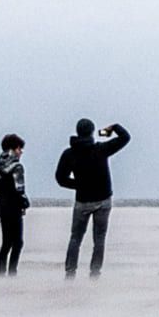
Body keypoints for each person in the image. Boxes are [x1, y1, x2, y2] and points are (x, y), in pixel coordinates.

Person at [53, 119, 131, 278]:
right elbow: (125, 137)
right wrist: (113, 127)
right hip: (103, 199)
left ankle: (70, 273)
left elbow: (60, 178)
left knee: (75, 238)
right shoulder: (101, 149)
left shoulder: (70, 153)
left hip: (83, 200)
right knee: (99, 238)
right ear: (92, 132)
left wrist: (78, 185)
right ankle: (95, 273)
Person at [0, 134, 29, 275]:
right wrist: (24, 203)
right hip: (15, 209)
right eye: (20, 149)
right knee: (18, 242)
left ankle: (1, 274)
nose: (21, 152)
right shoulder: (17, 167)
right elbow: (20, 189)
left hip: (3, 208)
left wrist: (3, 198)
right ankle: (12, 273)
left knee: (6, 243)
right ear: (14, 149)